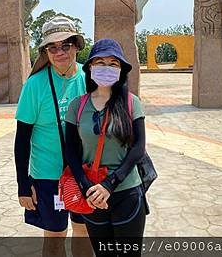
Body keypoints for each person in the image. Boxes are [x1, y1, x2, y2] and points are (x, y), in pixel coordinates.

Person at [14, 16, 91, 257]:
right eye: (52, 47)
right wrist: (23, 185)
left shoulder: (90, 79)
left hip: (85, 172)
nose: (60, 52)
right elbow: (22, 139)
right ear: (45, 51)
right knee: (55, 234)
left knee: (83, 231)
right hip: (48, 176)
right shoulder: (34, 85)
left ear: (77, 46)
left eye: (65, 45)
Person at [64, 39, 147, 257]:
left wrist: (110, 184)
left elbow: (138, 148)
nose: (106, 68)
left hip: (126, 192)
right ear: (90, 68)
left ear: (121, 70)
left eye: (113, 63)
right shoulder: (77, 106)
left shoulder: (131, 103)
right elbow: (70, 150)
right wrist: (85, 186)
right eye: (100, 62)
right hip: (91, 193)